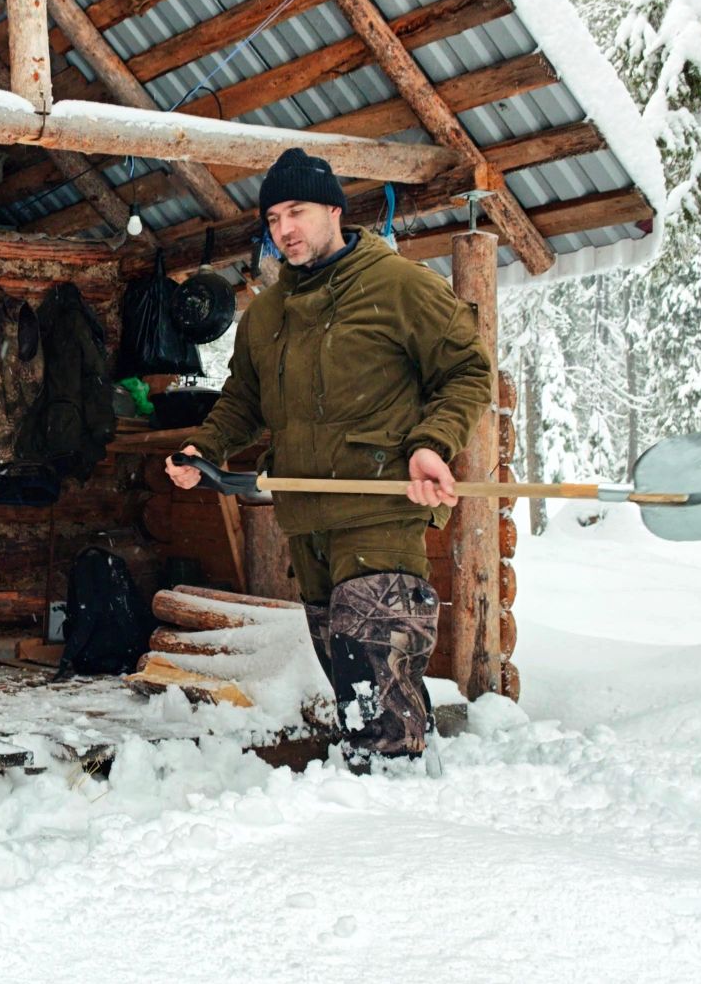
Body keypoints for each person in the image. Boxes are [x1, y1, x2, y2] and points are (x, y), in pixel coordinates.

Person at [165, 148, 492, 768]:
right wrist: (204, 448)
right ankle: (369, 801)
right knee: (357, 692)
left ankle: (395, 811)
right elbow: (244, 400)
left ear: (334, 210)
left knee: (380, 692)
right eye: (272, 219)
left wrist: (432, 444)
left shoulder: (398, 286)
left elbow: (467, 371)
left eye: (297, 211)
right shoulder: (264, 314)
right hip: (306, 522)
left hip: (378, 514)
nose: (284, 229)